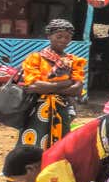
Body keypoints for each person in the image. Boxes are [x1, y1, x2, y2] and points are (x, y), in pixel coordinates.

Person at [19, 19, 86, 150]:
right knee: (32, 144)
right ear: (49, 36)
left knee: (61, 146)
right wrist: (66, 83)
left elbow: (77, 90)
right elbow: (32, 86)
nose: (63, 40)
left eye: (67, 37)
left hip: (62, 110)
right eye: (59, 36)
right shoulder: (35, 58)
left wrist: (45, 87)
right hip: (36, 109)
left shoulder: (75, 61)